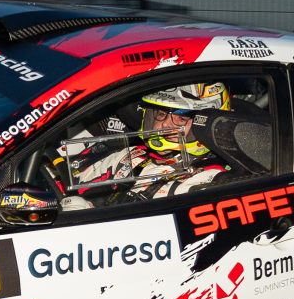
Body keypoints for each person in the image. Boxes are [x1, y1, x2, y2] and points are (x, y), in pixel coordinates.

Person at [55, 83, 233, 208]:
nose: (164, 125)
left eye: (181, 118)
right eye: (161, 114)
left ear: (205, 124)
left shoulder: (211, 180)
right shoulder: (133, 156)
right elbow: (70, 184)